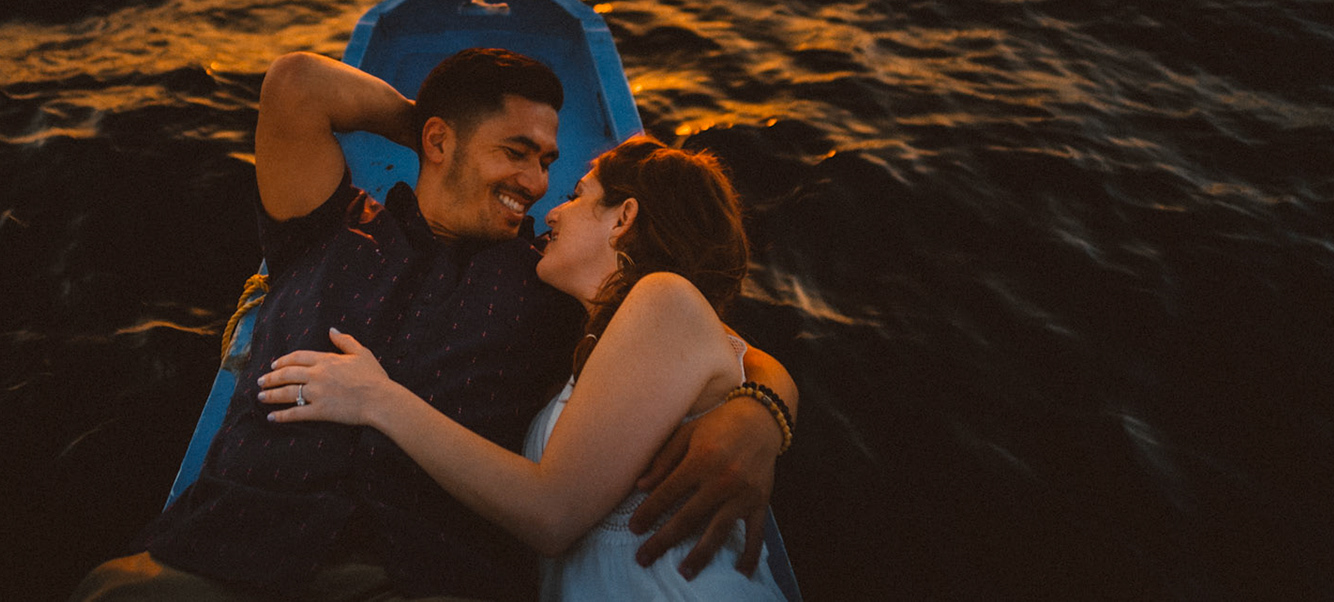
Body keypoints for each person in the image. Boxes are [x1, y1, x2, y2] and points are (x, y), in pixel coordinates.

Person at [71, 48, 795, 602]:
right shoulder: (322, 229)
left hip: (419, 572)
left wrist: (763, 411)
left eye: (549, 163)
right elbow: (296, 84)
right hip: (230, 549)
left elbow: (710, 346)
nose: (538, 184)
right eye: (517, 152)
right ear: (440, 142)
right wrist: (430, 126)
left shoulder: (547, 286)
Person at [257, 135, 792, 601]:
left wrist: (378, 399)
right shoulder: (606, 340)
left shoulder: (664, 298)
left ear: (624, 218)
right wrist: (769, 406)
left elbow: (551, 514)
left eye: (576, 196)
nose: (552, 213)